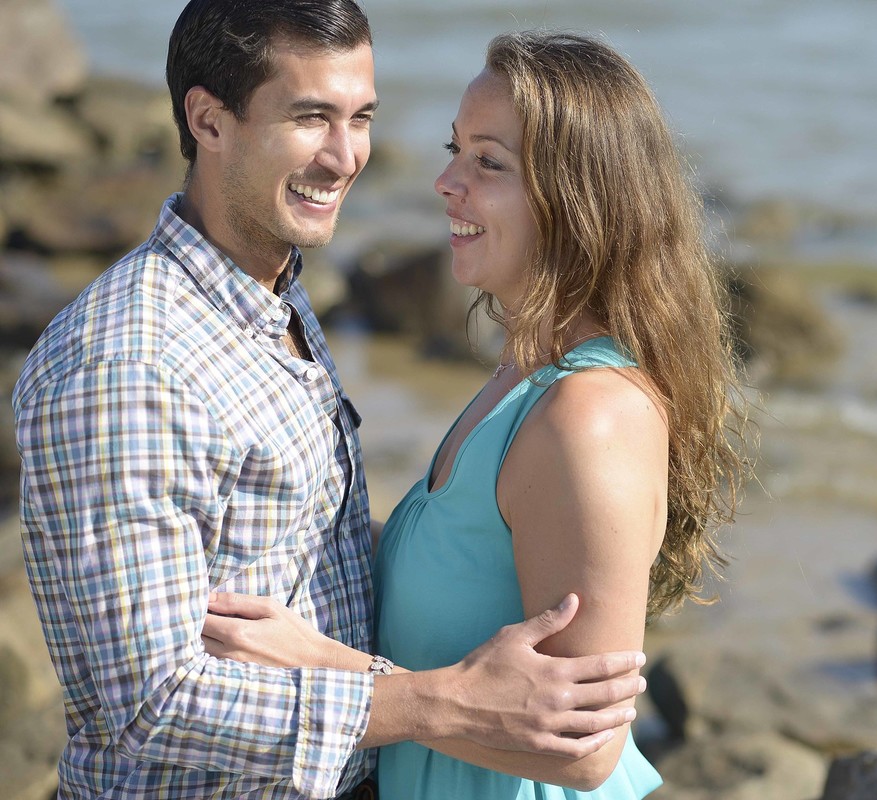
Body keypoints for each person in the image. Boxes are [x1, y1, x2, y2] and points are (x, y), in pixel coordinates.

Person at [12, 5, 647, 799]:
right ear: (208, 121)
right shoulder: (130, 363)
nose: (346, 158)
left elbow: (308, 542)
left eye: (361, 118)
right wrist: (433, 702)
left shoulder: (269, 299)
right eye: (311, 117)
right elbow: (151, 699)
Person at [203, 29, 751, 799]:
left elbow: (583, 751)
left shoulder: (588, 416)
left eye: (488, 163)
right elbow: (465, 558)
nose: (445, 182)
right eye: (454, 149)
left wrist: (321, 665)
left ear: (576, 199)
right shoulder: (523, 376)